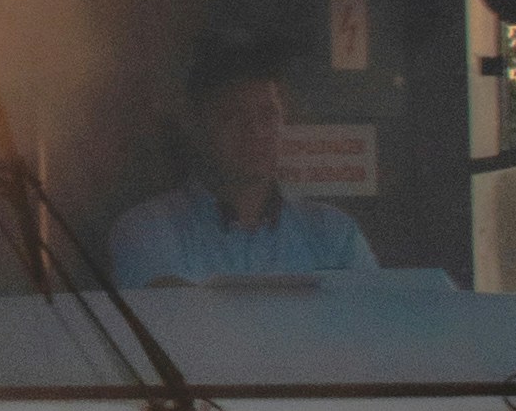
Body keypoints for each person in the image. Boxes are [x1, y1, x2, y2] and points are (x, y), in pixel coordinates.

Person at [111, 37, 376, 285]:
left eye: (268, 114)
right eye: (232, 116)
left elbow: (370, 325)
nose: (255, 131)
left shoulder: (335, 236)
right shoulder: (149, 232)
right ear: (197, 126)